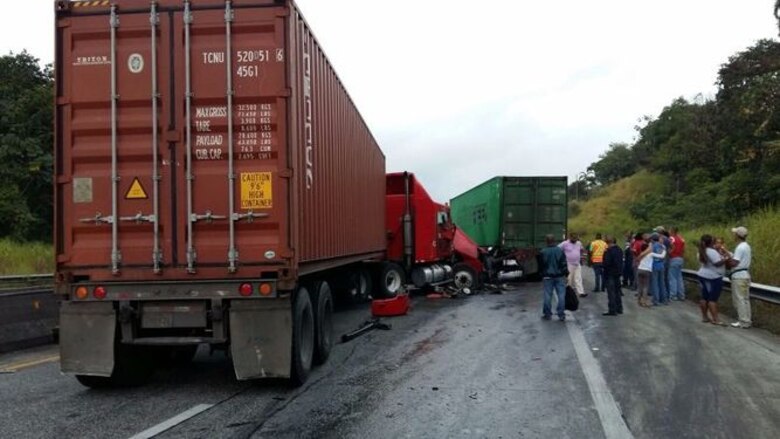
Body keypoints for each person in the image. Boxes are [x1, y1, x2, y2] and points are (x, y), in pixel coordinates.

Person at [697, 234, 728, 325]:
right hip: (714, 277)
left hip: (702, 275)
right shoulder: (712, 252)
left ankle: (705, 317)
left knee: (704, 297)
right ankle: (716, 319)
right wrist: (726, 258)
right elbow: (717, 263)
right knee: (712, 299)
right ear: (711, 242)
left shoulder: (701, 251)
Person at [541, 234, 569, 322]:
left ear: (546, 241)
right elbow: (564, 264)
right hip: (559, 276)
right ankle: (561, 314)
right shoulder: (560, 251)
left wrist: (542, 274)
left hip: (547, 276)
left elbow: (541, 265)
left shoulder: (543, 252)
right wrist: (566, 274)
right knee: (561, 295)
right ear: (554, 241)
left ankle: (547, 314)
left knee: (547, 295)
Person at [729, 226, 752, 329]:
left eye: (734, 234)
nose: (733, 235)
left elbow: (735, 263)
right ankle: (747, 320)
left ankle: (743, 321)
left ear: (738, 236)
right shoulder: (746, 246)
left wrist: (727, 260)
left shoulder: (739, 247)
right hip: (745, 275)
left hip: (738, 277)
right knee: (745, 299)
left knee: (739, 299)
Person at [635, 236, 663, 308]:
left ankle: (639, 300)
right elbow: (661, 256)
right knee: (645, 286)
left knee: (640, 286)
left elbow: (637, 260)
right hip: (647, 271)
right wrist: (664, 250)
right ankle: (644, 301)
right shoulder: (651, 254)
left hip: (640, 269)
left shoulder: (641, 254)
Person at [602, 236, 624, 316]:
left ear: (608, 242)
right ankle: (619, 308)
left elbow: (607, 263)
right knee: (617, 291)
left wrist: (603, 266)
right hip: (617, 273)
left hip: (610, 273)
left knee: (611, 292)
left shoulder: (608, 251)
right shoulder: (619, 250)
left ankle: (612, 310)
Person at [560, 233, 586, 297]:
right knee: (569, 279)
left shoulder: (578, 243)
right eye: (573, 238)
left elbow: (582, 249)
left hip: (577, 263)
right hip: (569, 264)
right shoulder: (565, 243)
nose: (575, 240)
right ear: (570, 237)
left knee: (578, 278)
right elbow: (558, 249)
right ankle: (568, 293)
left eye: (576, 238)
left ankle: (581, 292)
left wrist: (581, 256)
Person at [649, 233, 668, 305]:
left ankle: (656, 300)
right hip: (661, 265)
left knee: (655, 283)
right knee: (662, 283)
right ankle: (663, 299)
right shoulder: (663, 246)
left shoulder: (653, 246)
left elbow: (650, 255)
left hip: (655, 265)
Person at [668, 227, 686, 301]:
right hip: (680, 259)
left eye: (669, 230)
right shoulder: (681, 238)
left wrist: (669, 253)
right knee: (679, 277)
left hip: (673, 258)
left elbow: (672, 247)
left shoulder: (671, 238)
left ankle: (673, 295)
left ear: (672, 231)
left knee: (672, 278)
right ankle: (681, 295)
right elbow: (684, 249)